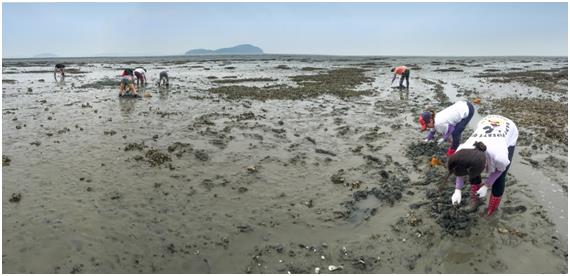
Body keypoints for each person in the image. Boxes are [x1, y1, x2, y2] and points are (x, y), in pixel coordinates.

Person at [446, 115, 518, 216]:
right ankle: (475, 198)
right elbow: (460, 169)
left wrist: (487, 185)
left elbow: (500, 170)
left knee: (499, 179)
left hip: (509, 129)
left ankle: (492, 208)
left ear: (484, 165)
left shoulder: (500, 156)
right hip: (486, 121)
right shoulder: (461, 150)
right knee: (472, 172)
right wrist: (457, 190)